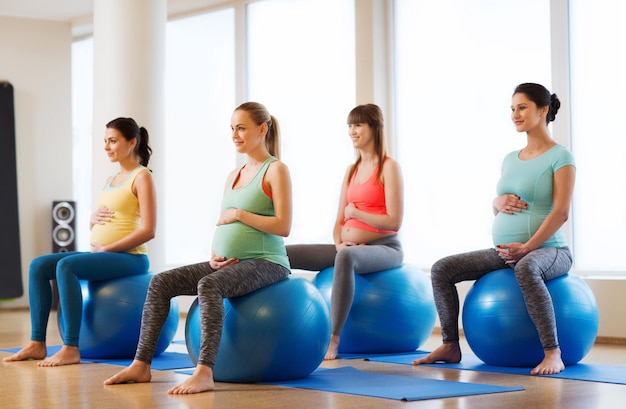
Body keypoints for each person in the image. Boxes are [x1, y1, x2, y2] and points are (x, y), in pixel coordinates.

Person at [103, 102, 292, 395]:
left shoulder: (275, 170)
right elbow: (225, 224)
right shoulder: (234, 174)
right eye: (232, 128)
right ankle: (141, 364)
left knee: (209, 286)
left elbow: (283, 225)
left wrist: (240, 215)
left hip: (267, 262)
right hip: (229, 262)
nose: (235, 134)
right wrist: (214, 255)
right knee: (161, 281)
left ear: (262, 129)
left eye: (241, 128)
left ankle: (204, 371)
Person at [413, 83, 576, 375]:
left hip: (550, 249)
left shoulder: (560, 156)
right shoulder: (510, 159)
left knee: (527, 268)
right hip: (506, 251)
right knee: (442, 269)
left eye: (522, 107)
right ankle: (450, 345)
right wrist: (496, 201)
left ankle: (553, 353)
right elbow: (504, 206)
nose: (515, 114)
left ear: (543, 110)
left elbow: (561, 212)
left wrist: (528, 248)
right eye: (512, 108)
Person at [3, 117, 157, 367]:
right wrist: (91, 220)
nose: (107, 146)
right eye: (105, 141)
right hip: (104, 253)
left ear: (132, 142)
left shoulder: (142, 177)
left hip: (131, 258)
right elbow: (108, 220)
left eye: (113, 141)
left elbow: (149, 230)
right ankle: (37, 343)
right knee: (39, 265)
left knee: (67, 266)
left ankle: (71, 347)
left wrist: (107, 248)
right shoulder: (111, 179)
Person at [287, 103, 404, 360]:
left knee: (346, 258)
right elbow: (339, 219)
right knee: (286, 253)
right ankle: (284, 324)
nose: (352, 130)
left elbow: (394, 222)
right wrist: (340, 243)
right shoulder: (351, 170)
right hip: (348, 248)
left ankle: (333, 338)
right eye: (350, 125)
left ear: (374, 128)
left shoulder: (388, 167)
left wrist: (357, 216)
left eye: (358, 124)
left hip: (385, 248)